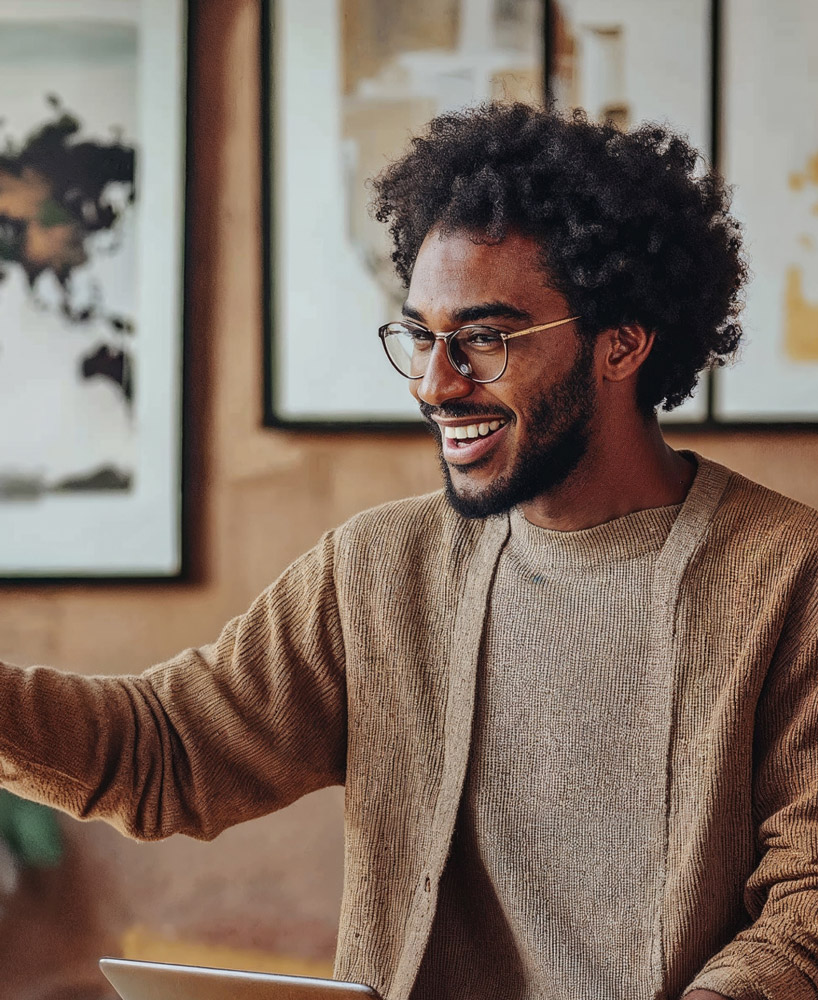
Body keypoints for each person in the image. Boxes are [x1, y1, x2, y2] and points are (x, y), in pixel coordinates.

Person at [1, 103, 817, 1000]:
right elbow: (163, 753)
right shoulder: (379, 569)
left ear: (621, 342)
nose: (435, 382)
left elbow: (806, 908)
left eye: (484, 339)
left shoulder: (787, 576)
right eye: (421, 335)